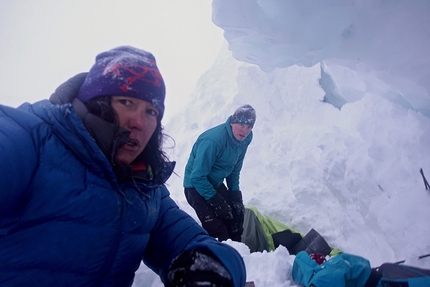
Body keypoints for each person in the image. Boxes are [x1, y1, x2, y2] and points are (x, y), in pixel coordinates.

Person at [0, 46, 246, 287]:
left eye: (151, 111)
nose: (139, 122)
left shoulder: (144, 186)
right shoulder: (30, 141)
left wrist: (213, 269)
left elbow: (186, 239)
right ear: (95, 102)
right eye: (126, 102)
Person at [184, 104, 256, 242]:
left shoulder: (245, 138)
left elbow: (235, 169)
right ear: (232, 122)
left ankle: (241, 256)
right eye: (241, 125)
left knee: (235, 221)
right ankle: (218, 258)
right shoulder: (213, 141)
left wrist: (235, 196)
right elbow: (197, 177)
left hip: (214, 183)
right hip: (194, 186)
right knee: (218, 231)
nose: (244, 130)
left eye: (249, 127)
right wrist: (217, 202)